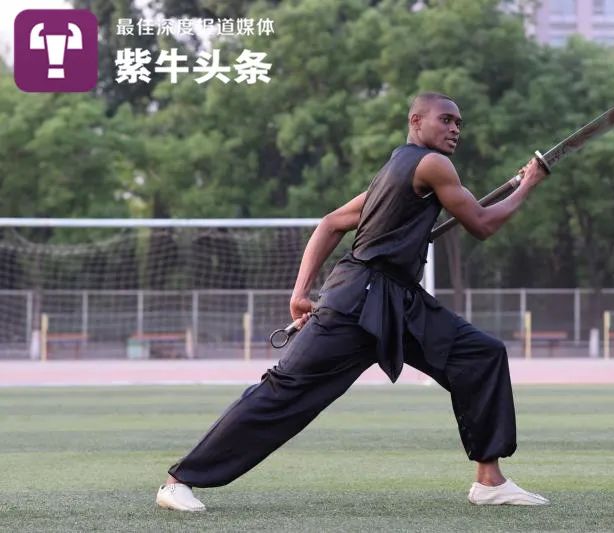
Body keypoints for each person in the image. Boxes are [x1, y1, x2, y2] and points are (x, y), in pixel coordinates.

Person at [156, 92, 549, 512]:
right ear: (416, 121)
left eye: (459, 123)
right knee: (285, 390)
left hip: (400, 301)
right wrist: (529, 183)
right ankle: (179, 481)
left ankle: (490, 481)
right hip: (358, 300)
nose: (455, 129)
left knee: (480, 355)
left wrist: (300, 292)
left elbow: (331, 223)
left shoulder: (393, 173)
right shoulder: (432, 164)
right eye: (446, 119)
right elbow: (483, 224)